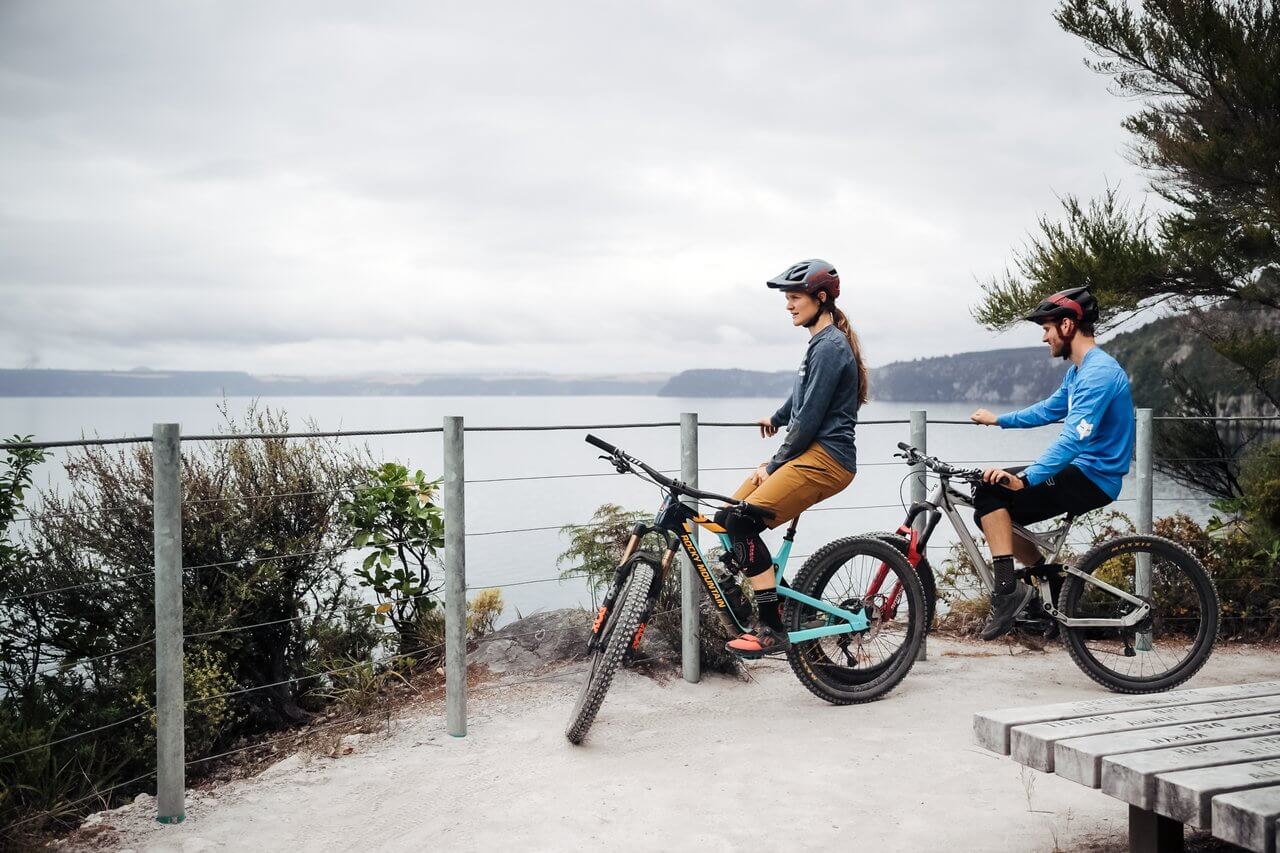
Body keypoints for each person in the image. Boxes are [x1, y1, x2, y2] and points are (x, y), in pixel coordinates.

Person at [717, 259, 866, 657]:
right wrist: (777, 417)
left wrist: (773, 464)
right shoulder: (820, 343)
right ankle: (747, 590)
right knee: (725, 518)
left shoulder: (831, 346)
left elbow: (811, 418)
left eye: (794, 297)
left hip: (827, 458)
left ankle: (771, 626)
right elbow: (802, 398)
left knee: (741, 521)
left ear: (821, 298)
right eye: (786, 299)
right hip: (810, 450)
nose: (788, 305)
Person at [969, 286, 1135, 640]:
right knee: (988, 508)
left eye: (1046, 328)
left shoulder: (1099, 373)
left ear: (1067, 325)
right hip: (1083, 471)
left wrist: (1027, 479)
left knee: (991, 495)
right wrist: (1000, 419)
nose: (1044, 337)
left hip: (1093, 477)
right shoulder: (1079, 372)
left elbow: (1075, 437)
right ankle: (1048, 585)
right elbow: (1048, 410)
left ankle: (1008, 593)